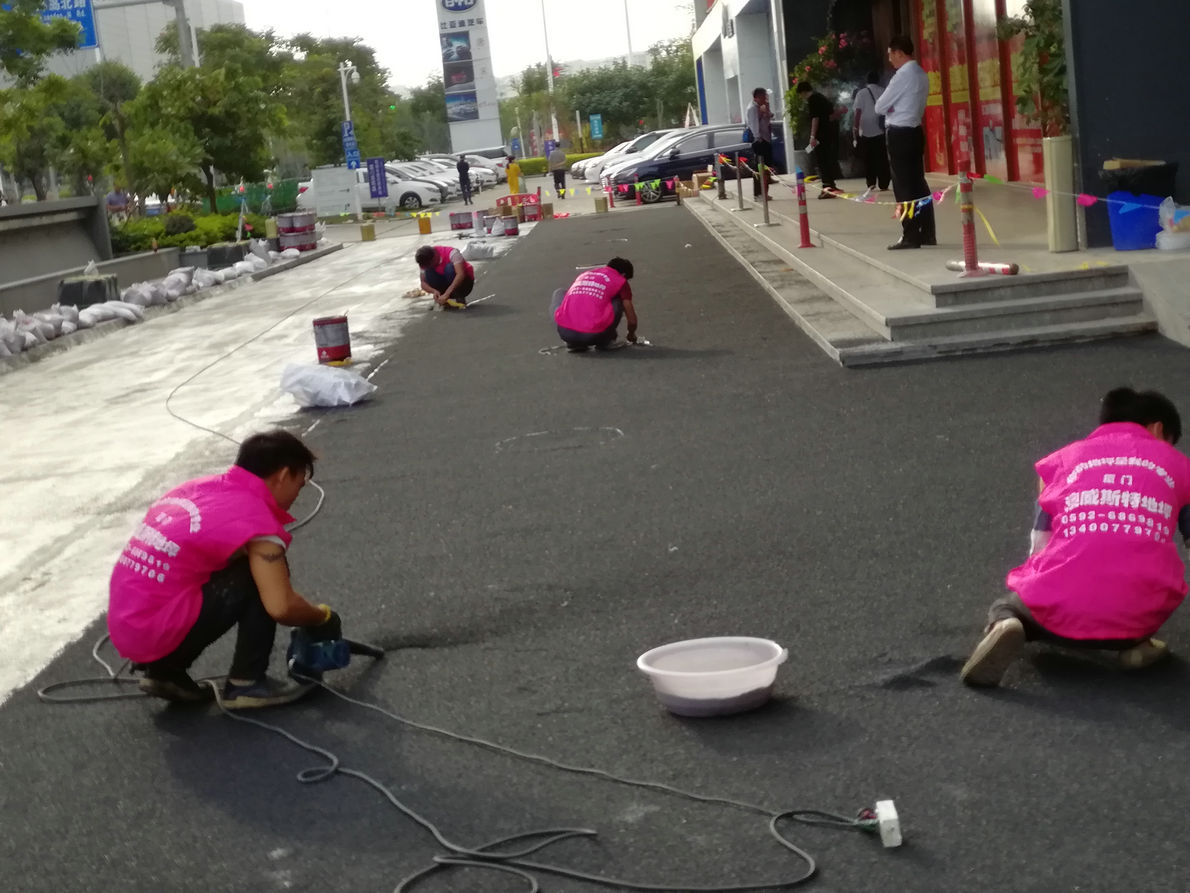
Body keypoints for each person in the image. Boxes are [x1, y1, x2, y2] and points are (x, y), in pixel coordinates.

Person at [961, 388, 1190, 688]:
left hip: (1055, 612)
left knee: (1009, 605)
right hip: (1136, 615)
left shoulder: (1064, 460)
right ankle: (1135, 645)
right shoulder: (1180, 466)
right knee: (1140, 596)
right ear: (1158, 428)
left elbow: (1039, 543)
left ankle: (1006, 623)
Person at [107, 431, 344, 709]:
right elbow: (281, 607)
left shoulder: (194, 489)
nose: (297, 494)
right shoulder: (257, 520)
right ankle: (246, 684)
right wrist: (322, 618)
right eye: (299, 483)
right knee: (255, 576)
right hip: (156, 630)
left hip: (128, 625)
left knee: (210, 570)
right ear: (282, 475)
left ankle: (165, 672)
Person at [874, 35, 935, 249]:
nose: (890, 59)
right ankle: (927, 232)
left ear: (899, 52)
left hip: (899, 134)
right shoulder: (921, 73)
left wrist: (891, 107)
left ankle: (910, 234)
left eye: (891, 54)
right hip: (915, 131)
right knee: (918, 183)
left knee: (903, 186)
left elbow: (880, 107)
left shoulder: (902, 76)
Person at [551, 257, 638, 352]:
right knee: (619, 299)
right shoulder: (620, 281)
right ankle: (606, 341)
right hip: (595, 334)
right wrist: (631, 334)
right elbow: (632, 320)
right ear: (623, 274)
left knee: (560, 293)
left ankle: (573, 343)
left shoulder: (585, 275)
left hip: (566, 333)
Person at [797, 82, 842, 198]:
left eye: (801, 94)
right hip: (829, 133)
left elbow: (815, 118)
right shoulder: (821, 97)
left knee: (822, 161)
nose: (801, 97)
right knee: (827, 160)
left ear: (803, 92)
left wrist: (812, 136)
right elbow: (831, 115)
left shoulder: (813, 100)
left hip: (820, 135)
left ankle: (827, 187)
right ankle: (831, 185)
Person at [852, 71, 891, 193]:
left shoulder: (861, 93)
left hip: (866, 130)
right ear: (878, 80)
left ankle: (871, 183)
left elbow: (857, 112)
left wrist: (855, 129)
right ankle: (884, 183)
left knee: (869, 158)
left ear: (867, 81)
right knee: (882, 157)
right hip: (881, 128)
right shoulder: (884, 91)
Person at [415, 244, 475, 309]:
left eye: (429, 264)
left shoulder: (452, 253)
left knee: (449, 268)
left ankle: (459, 298)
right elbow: (423, 283)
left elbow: (460, 275)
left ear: (434, 257)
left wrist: (447, 293)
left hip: (464, 284)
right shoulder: (425, 263)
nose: (429, 266)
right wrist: (434, 291)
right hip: (445, 285)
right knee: (429, 272)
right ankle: (442, 299)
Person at [745, 87, 774, 199]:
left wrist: (766, 110)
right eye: (762, 97)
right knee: (760, 168)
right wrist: (758, 137)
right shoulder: (752, 108)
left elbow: (770, 117)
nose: (765, 99)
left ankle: (765, 191)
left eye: (765, 96)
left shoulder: (762, 107)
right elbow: (754, 125)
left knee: (766, 167)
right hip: (760, 140)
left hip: (766, 138)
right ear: (756, 97)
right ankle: (759, 193)